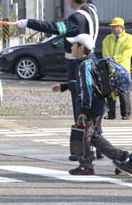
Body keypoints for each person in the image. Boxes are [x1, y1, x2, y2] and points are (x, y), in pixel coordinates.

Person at [16, 0, 99, 161]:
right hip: (93, 58)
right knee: (92, 101)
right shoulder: (92, 9)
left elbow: (54, 28)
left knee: (80, 104)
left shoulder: (76, 18)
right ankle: (95, 145)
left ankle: (85, 147)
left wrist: (29, 23)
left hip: (77, 62)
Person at [52, 34, 129, 175]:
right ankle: (121, 156)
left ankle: (85, 166)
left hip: (91, 106)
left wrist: (84, 109)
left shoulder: (84, 65)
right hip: (98, 105)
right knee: (94, 137)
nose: (71, 47)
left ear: (81, 48)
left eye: (74, 45)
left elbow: (87, 87)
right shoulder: (91, 61)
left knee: (82, 136)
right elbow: (86, 84)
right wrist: (65, 86)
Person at [102, 17, 132, 120]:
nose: (113, 28)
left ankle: (126, 114)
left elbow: (127, 52)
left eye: (115, 26)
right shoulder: (107, 38)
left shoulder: (129, 38)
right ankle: (111, 114)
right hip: (110, 69)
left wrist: (114, 58)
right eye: (112, 27)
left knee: (124, 91)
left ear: (121, 27)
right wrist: (109, 60)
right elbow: (104, 51)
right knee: (110, 92)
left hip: (123, 70)